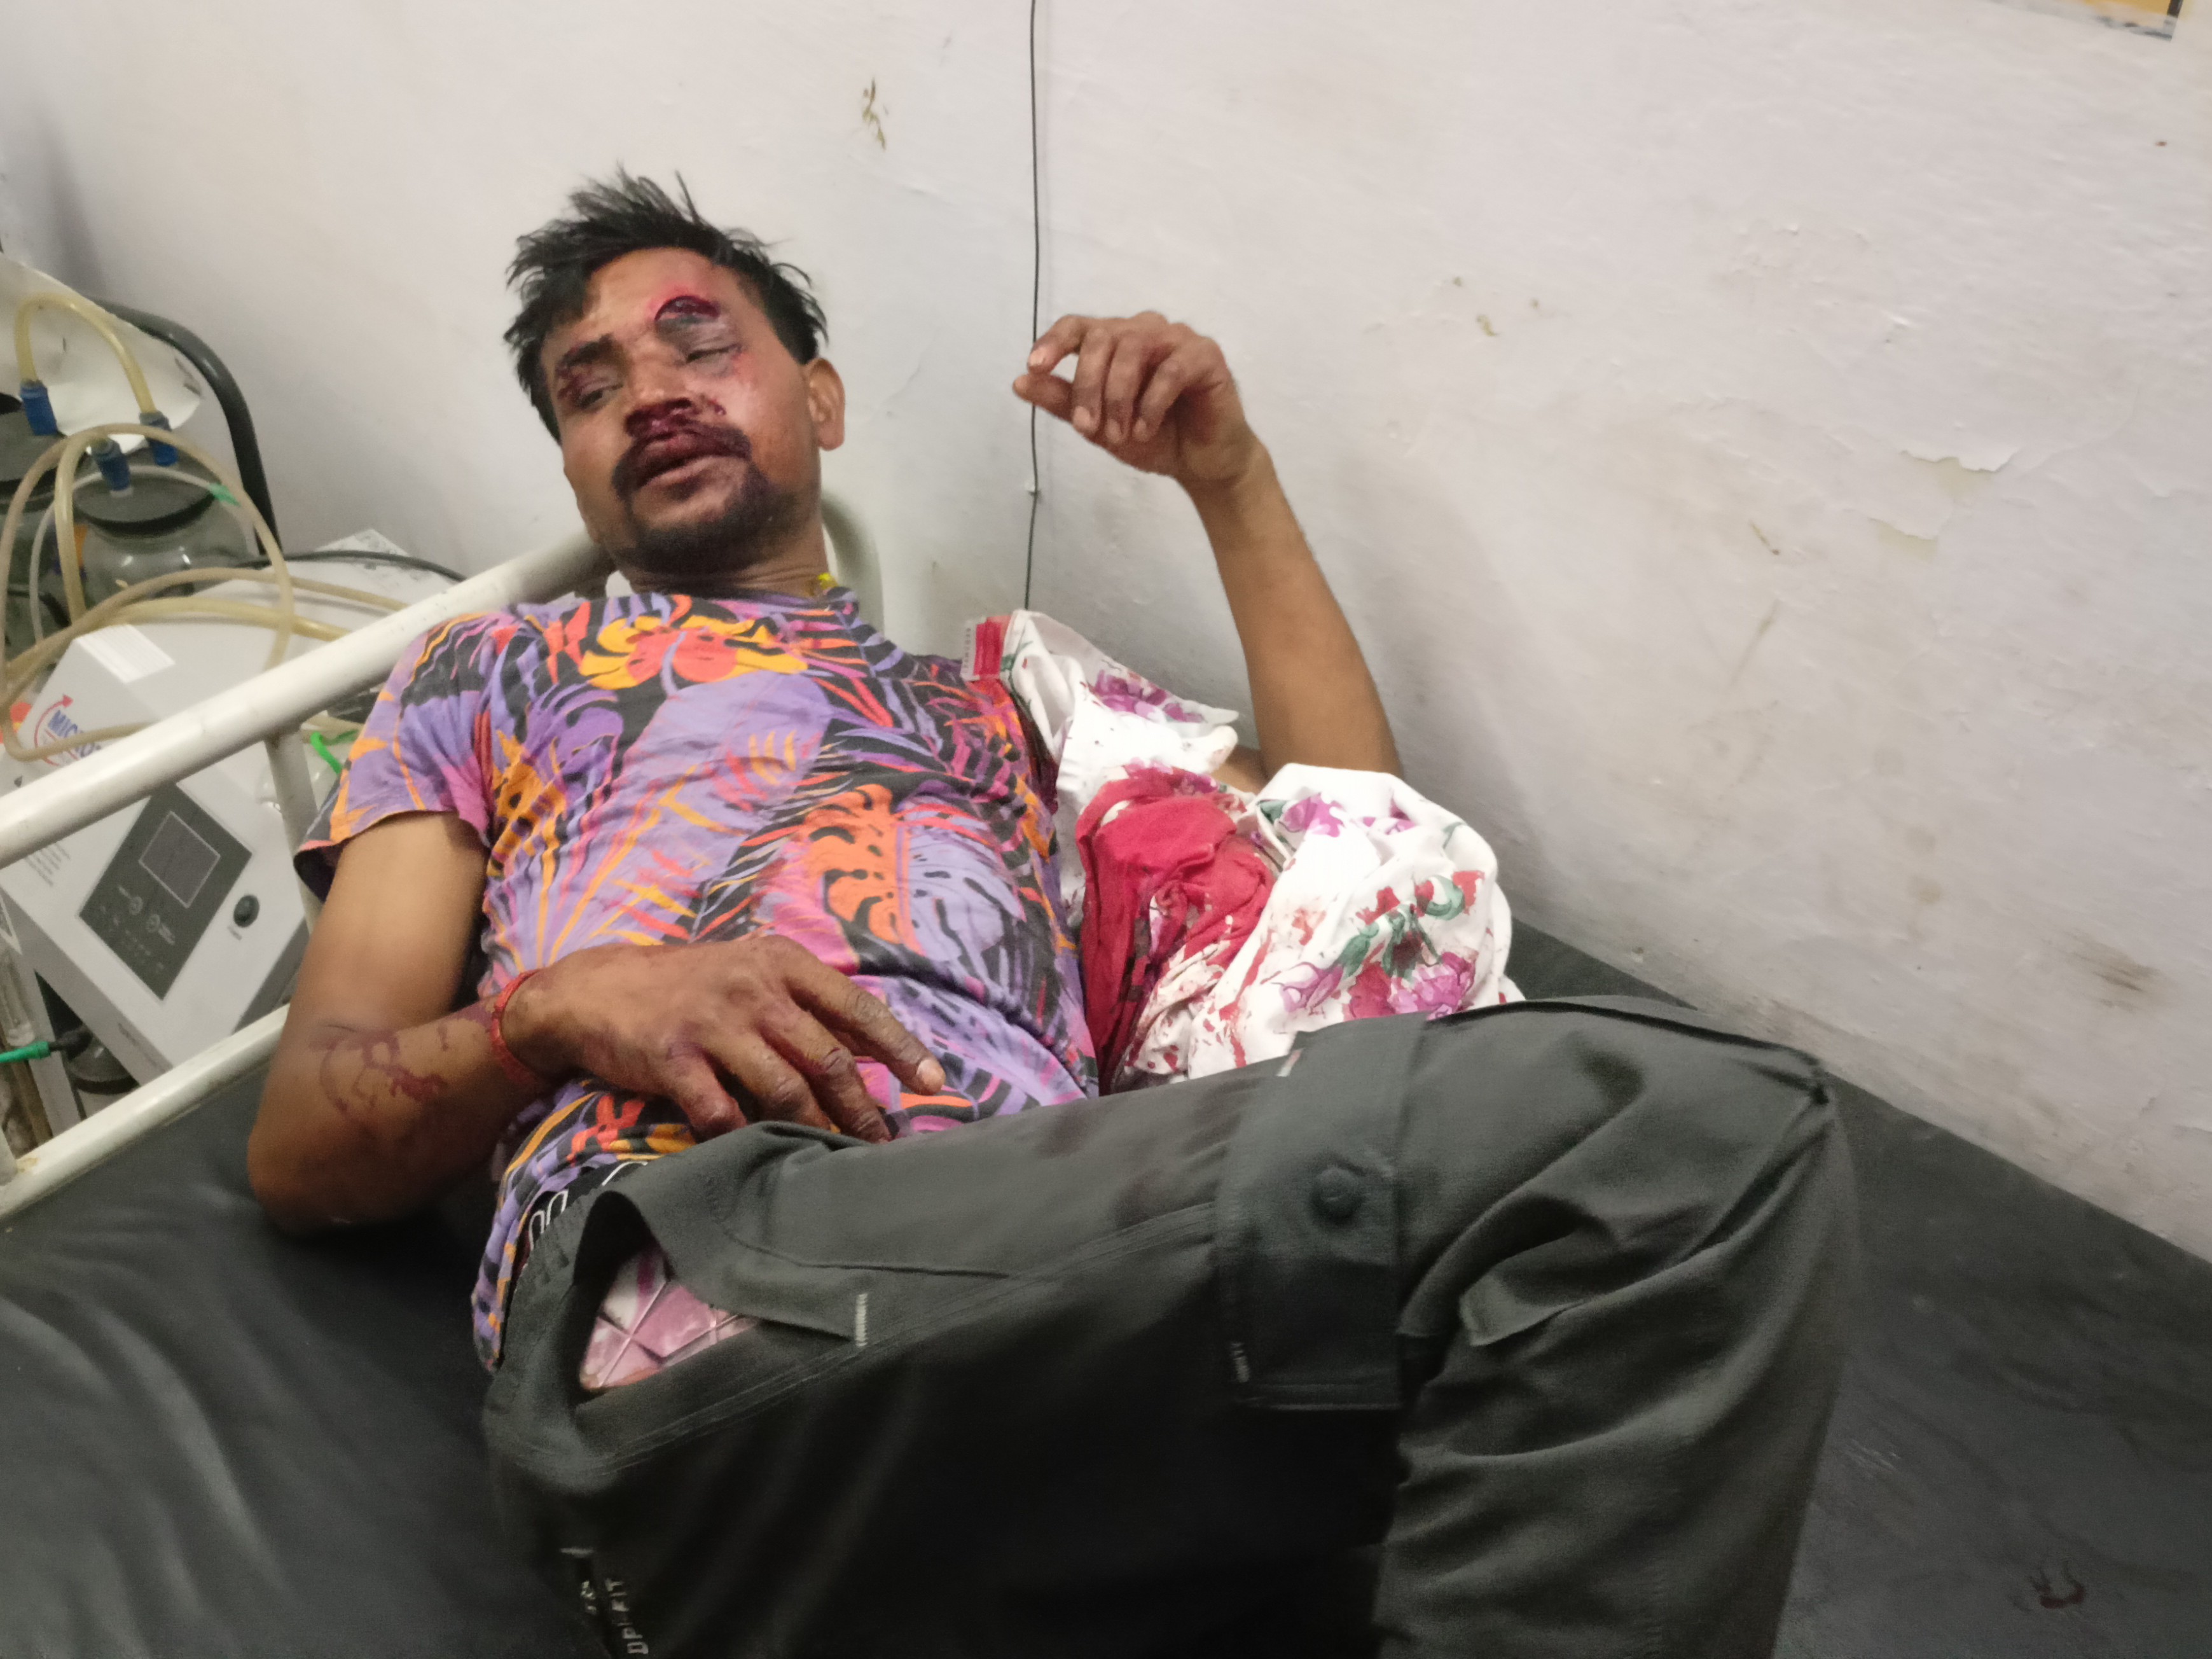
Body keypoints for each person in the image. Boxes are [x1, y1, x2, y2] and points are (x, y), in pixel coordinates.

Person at [248, 173, 1854, 1658]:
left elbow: (1356, 852)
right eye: (589, 386)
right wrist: (557, 1005)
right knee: (1679, 1142)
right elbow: (308, 1138)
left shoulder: (1006, 704)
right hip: (716, 1280)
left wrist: (1230, 479)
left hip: (1059, 1323)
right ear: (572, 463)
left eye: (699, 340)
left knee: (1564, 1306)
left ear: (822, 400)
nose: (650, 390)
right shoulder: (494, 670)